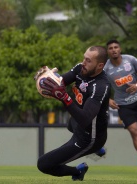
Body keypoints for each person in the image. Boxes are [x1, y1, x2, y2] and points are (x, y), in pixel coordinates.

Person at [35, 46, 111, 181]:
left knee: (43, 164)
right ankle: (87, 159)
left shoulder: (100, 86)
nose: (83, 62)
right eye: (84, 58)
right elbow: (59, 84)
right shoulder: (80, 69)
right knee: (71, 124)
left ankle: (78, 170)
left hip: (90, 137)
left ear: (100, 66)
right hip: (78, 125)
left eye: (88, 60)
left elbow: (85, 119)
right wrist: (45, 79)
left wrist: (64, 97)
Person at [104, 39, 137, 174]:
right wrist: (108, 100)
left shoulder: (131, 60)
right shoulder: (105, 69)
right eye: (110, 48)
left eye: (116, 47)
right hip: (123, 104)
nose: (114, 50)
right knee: (134, 131)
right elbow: (101, 86)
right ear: (108, 52)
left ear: (120, 49)